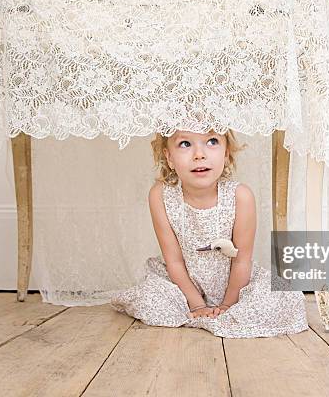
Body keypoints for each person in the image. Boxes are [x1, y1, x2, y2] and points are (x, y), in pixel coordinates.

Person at [110, 128, 309, 338]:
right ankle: (195, 311)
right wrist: (196, 305)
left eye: (212, 141)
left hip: (235, 285)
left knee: (284, 295)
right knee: (149, 298)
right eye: (185, 144)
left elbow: (241, 261)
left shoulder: (240, 196)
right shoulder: (160, 195)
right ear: (169, 157)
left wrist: (228, 305)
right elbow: (174, 262)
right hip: (184, 285)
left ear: (226, 153)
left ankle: (229, 313)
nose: (199, 154)